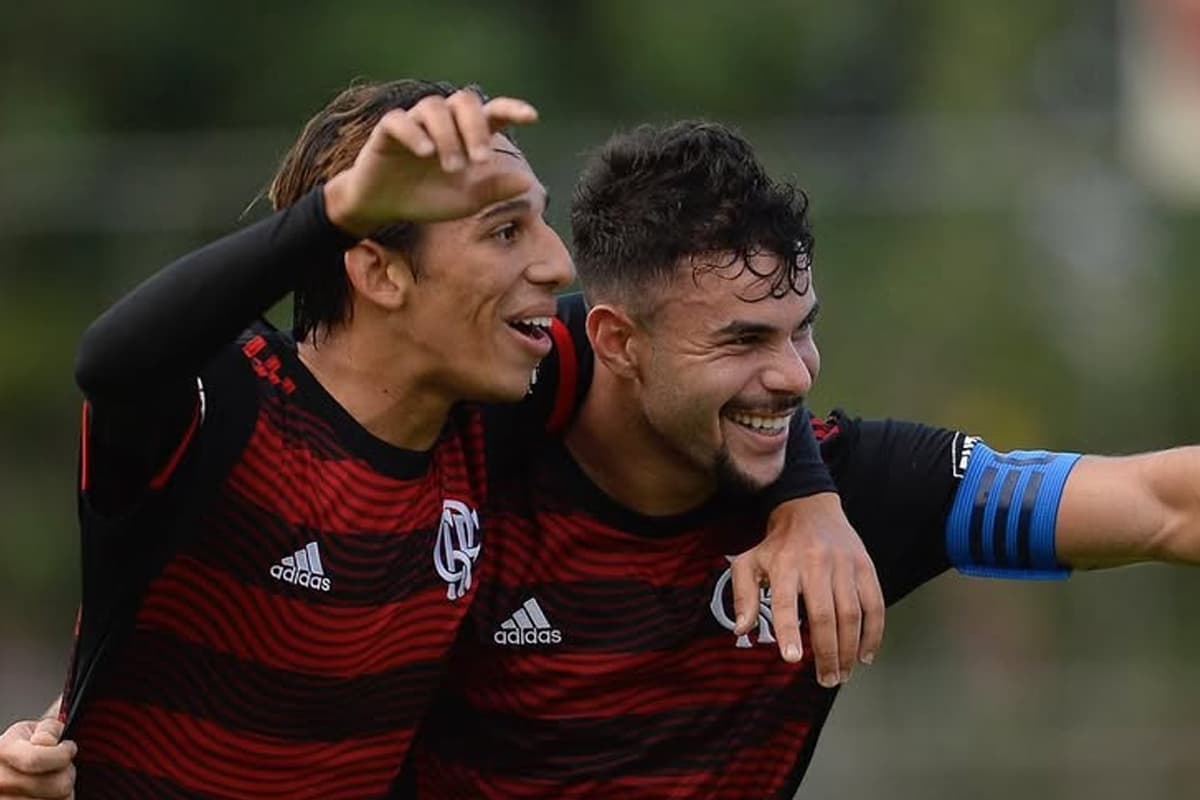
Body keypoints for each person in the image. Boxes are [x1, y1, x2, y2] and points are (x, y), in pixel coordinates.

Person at [0, 87, 876, 799]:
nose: (556, 262)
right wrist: (337, 212)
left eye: (539, 221)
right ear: (378, 270)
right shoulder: (226, 407)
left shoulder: (495, 397)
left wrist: (807, 499)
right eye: (504, 231)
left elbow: (696, 352)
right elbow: (112, 362)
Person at [400, 120, 1200, 798]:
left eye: (801, 329)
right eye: (744, 340)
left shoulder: (856, 496)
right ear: (617, 341)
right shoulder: (466, 459)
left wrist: (810, 495)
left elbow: (1163, 506)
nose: (794, 374)